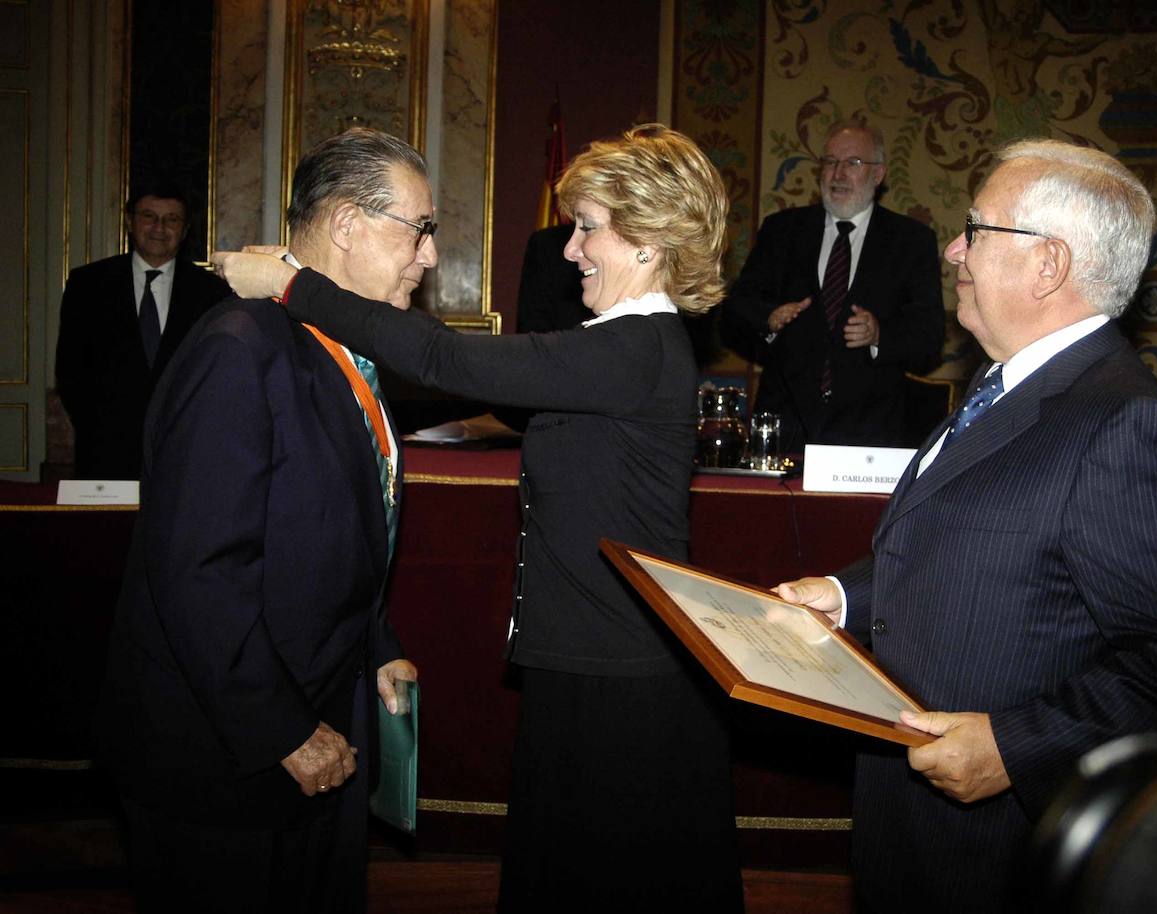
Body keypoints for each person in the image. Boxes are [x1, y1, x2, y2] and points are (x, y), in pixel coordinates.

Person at [215, 123, 744, 914]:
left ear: (649, 239)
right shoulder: (617, 347)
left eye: (587, 229)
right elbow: (502, 391)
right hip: (589, 662)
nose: (570, 252)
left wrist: (292, 283)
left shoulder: (639, 346)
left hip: (621, 683)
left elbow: (449, 360)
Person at [772, 139, 1157, 914]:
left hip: (999, 847)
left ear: (1047, 265)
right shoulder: (1004, 384)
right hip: (915, 816)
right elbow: (962, 541)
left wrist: (1014, 749)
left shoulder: (1123, 423)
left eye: (976, 228)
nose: (955, 248)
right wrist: (846, 597)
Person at [97, 128, 427, 913]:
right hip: (223, 758)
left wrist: (376, 645)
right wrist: (280, 730)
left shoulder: (333, 344)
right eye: (419, 229)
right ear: (348, 226)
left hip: (313, 716)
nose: (428, 256)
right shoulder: (238, 349)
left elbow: (344, 521)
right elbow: (200, 569)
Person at [720, 120, 945, 452]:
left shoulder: (911, 241)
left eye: (853, 163)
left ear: (878, 174)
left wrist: (880, 335)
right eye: (829, 161)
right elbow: (737, 306)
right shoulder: (782, 230)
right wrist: (769, 316)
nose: (838, 174)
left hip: (868, 433)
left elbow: (929, 334)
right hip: (785, 425)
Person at [54, 183, 230, 479]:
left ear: (185, 229)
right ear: (130, 221)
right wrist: (96, 425)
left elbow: (217, 373)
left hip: (185, 450)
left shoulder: (211, 292)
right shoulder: (88, 284)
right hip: (105, 451)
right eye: (149, 216)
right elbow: (70, 370)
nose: (159, 228)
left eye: (172, 219)